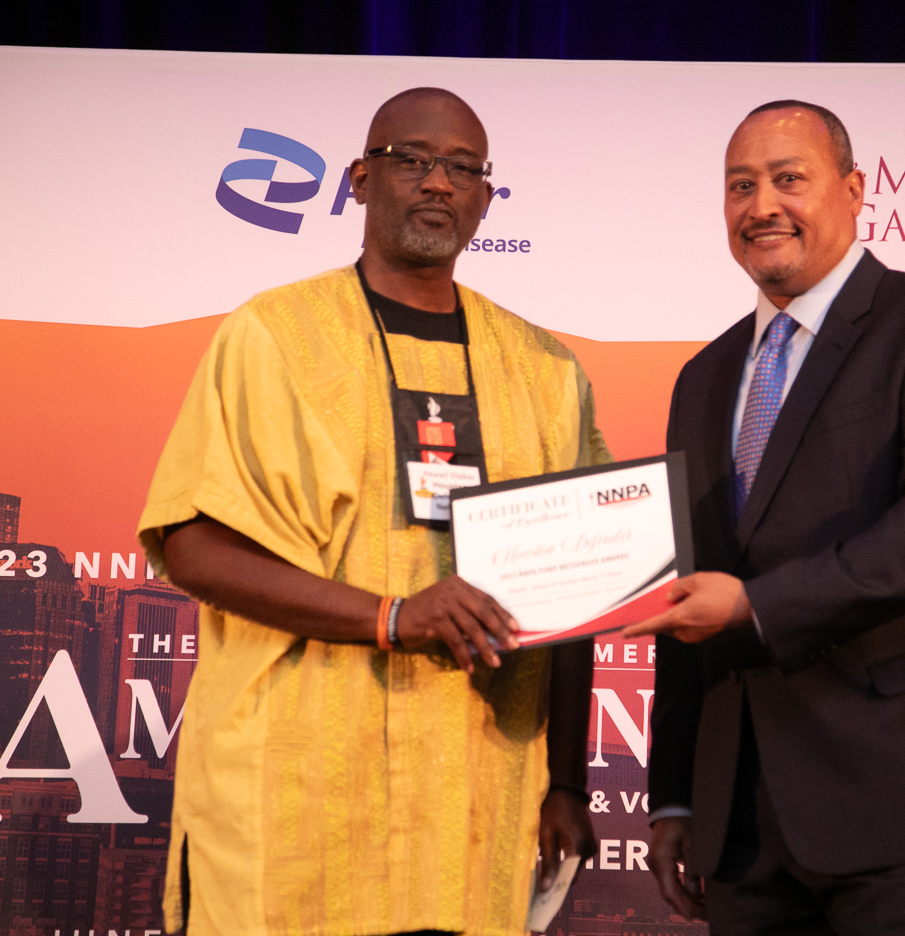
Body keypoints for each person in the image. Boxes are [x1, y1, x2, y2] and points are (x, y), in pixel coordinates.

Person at [137, 87, 607, 936]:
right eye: (413, 159)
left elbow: (580, 587)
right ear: (359, 179)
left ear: (486, 197)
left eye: (463, 168)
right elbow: (194, 545)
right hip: (294, 785)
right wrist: (392, 616)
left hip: (476, 792)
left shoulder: (546, 369)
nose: (439, 182)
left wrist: (567, 781)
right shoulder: (273, 334)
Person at [622, 100, 905, 935]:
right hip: (744, 821)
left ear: (853, 191)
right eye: (740, 186)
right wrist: (674, 793)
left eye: (789, 179)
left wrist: (757, 606)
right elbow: (684, 589)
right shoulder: (703, 377)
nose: (762, 206)